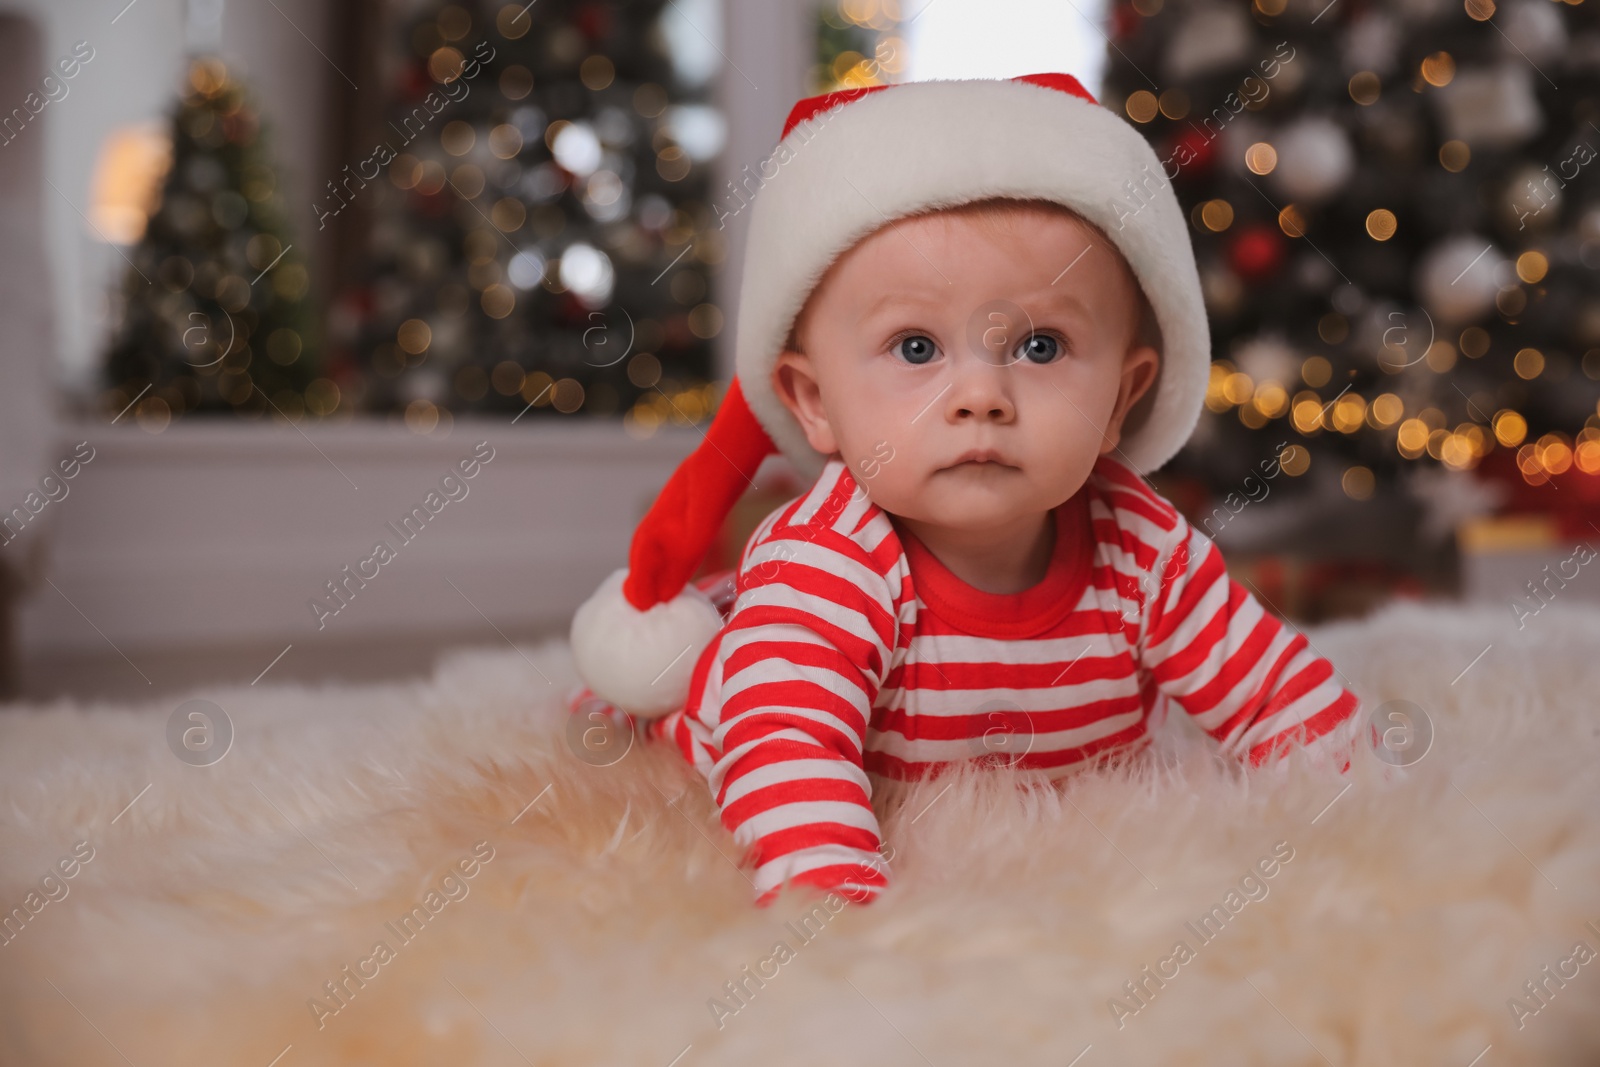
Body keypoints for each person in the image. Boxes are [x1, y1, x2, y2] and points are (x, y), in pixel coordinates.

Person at [567, 73, 1366, 908]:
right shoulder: (828, 564)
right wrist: (833, 911)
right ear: (815, 403)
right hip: (744, 698)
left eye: (1042, 346)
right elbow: (787, 743)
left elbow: (1276, 695)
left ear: (1121, 401)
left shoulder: (1143, 547)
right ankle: (643, 681)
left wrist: (1365, 813)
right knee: (702, 686)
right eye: (915, 348)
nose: (981, 395)